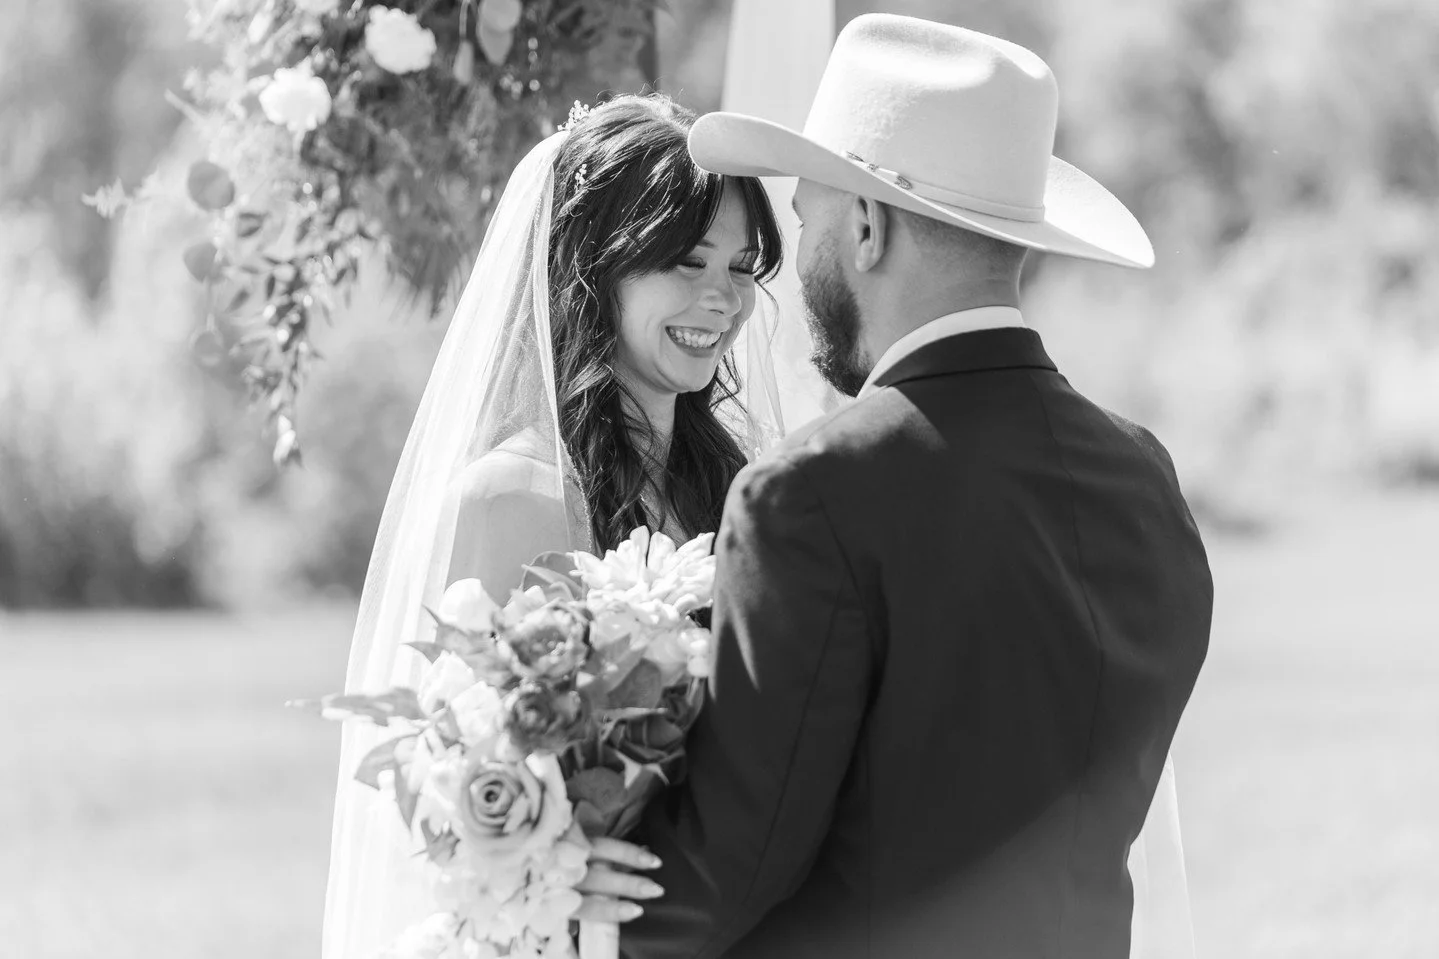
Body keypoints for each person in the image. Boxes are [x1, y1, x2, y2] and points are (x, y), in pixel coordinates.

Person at [619, 15, 1213, 959]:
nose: (796, 264)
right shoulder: (1144, 478)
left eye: (807, 221)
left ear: (866, 225)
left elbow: (732, 859)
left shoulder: (810, 494)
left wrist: (555, 907)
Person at [320, 93, 785, 959]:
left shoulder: (743, 493)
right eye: (686, 261)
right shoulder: (512, 499)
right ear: (594, 266)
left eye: (740, 266)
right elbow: (447, 788)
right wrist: (557, 866)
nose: (723, 299)